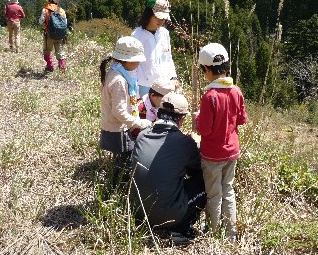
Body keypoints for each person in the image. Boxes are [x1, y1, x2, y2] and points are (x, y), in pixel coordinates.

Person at [130, 92, 207, 243]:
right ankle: (182, 230)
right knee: (206, 181)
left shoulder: (142, 136)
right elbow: (198, 169)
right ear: (182, 119)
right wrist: (197, 145)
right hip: (168, 217)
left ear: (158, 113)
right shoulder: (184, 143)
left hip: (138, 212)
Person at [194, 43, 247, 241]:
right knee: (228, 190)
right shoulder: (236, 91)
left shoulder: (210, 96)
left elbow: (204, 129)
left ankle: (215, 234)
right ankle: (231, 233)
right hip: (232, 151)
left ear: (206, 69)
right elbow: (241, 119)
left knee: (214, 194)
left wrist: (198, 118)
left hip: (212, 155)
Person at [99, 36, 152, 187]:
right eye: (137, 60)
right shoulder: (119, 81)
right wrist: (138, 122)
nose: (139, 63)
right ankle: (119, 187)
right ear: (127, 59)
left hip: (113, 125)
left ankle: (116, 184)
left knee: (120, 160)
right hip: (119, 128)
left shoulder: (114, 72)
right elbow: (119, 111)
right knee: (124, 162)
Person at [132, 0, 178, 97]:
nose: (161, 21)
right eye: (157, 17)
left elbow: (168, 58)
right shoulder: (137, 35)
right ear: (149, 15)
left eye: (163, 18)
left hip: (164, 84)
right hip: (144, 85)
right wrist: (134, 90)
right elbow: (133, 65)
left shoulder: (164, 33)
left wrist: (173, 77)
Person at [38, 0, 67, 72]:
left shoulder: (45, 10)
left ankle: (50, 66)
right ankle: (62, 67)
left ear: (50, 0)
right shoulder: (61, 10)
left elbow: (41, 21)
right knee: (60, 52)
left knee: (47, 51)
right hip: (60, 35)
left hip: (49, 34)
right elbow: (65, 22)